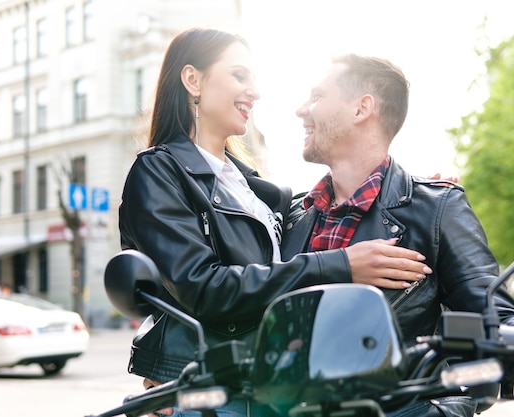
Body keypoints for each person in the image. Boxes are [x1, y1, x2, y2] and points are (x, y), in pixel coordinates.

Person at [118, 28, 432, 417]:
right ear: (192, 80)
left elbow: (335, 207)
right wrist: (343, 265)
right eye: (239, 75)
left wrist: (418, 194)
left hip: (268, 389)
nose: (255, 90)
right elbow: (204, 288)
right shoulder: (158, 172)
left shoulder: (258, 190)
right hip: (203, 389)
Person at [282, 53, 514, 416]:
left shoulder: (435, 208)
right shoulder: (292, 216)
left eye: (317, 96)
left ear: (361, 108)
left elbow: (491, 310)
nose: (301, 110)